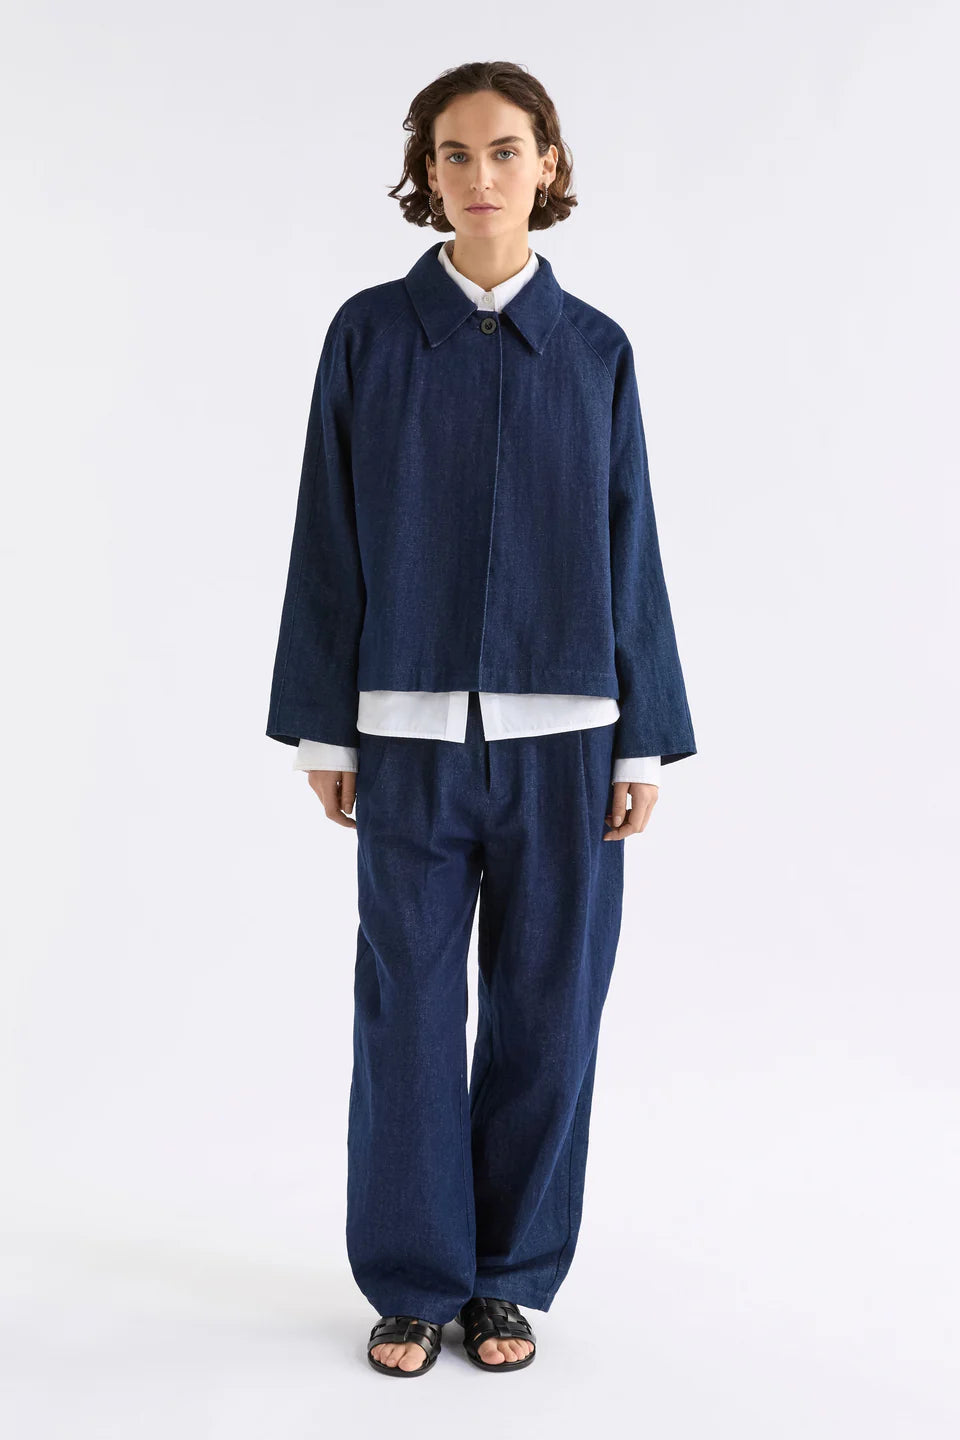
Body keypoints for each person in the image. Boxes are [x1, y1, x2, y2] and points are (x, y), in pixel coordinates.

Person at [265, 59, 697, 1378]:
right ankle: (414, 1281)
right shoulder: (369, 335)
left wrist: (642, 733)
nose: (480, 175)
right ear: (427, 173)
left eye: (506, 150)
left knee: (550, 1012)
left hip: (569, 737)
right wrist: (328, 729)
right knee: (406, 1010)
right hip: (406, 736)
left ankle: (506, 1278)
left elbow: (631, 542)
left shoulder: (595, 350)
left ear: (547, 165)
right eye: (454, 153)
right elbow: (328, 536)